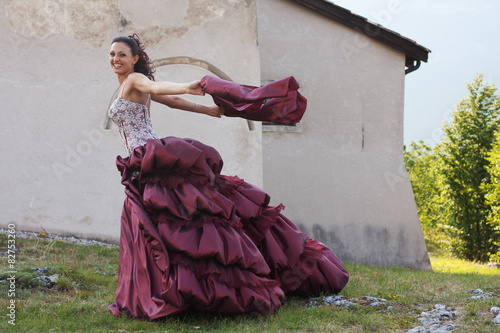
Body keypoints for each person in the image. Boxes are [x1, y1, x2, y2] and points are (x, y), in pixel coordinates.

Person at [107, 34, 349, 321]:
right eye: (112, 54)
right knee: (158, 222)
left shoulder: (135, 79)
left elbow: (156, 87)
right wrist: (207, 109)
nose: (115, 59)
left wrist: (188, 86)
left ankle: (193, 288)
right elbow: (169, 100)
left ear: (134, 59)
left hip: (150, 157)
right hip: (143, 159)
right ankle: (165, 290)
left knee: (176, 220)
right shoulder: (127, 84)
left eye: (121, 54)